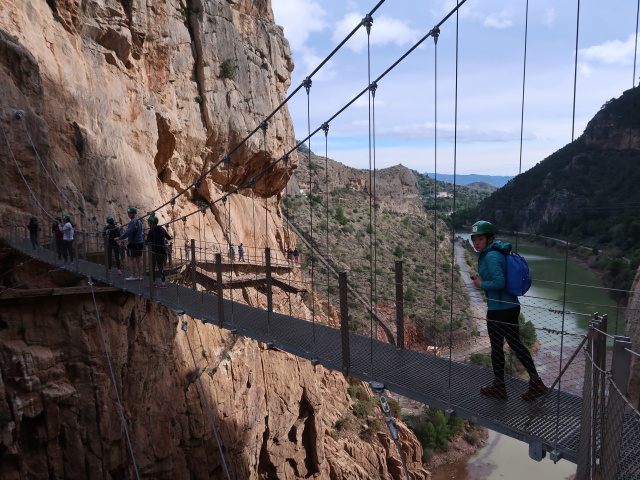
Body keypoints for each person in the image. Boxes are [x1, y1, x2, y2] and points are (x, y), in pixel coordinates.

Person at [470, 220, 547, 401]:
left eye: (480, 239)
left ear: (490, 239)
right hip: (510, 306)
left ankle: (499, 386)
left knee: (497, 348)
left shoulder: (490, 256)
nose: (476, 243)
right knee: (515, 344)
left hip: (499, 308)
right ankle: (536, 382)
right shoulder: (496, 252)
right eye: (474, 240)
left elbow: (499, 282)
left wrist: (481, 284)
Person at [117, 206, 144, 281]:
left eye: (130, 213)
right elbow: (132, 230)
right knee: (139, 259)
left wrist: (119, 238)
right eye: (128, 213)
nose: (129, 214)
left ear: (134, 213)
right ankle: (140, 276)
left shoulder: (133, 221)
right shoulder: (139, 221)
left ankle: (132, 276)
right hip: (140, 242)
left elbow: (130, 232)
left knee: (130, 259)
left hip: (133, 243)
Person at [145, 216, 171, 288]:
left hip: (154, 251)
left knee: (152, 267)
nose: (148, 224)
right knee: (160, 267)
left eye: (149, 223)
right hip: (162, 250)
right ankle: (163, 283)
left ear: (152, 223)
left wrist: (143, 241)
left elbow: (147, 242)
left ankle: (153, 283)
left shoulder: (151, 231)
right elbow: (169, 238)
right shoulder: (162, 229)